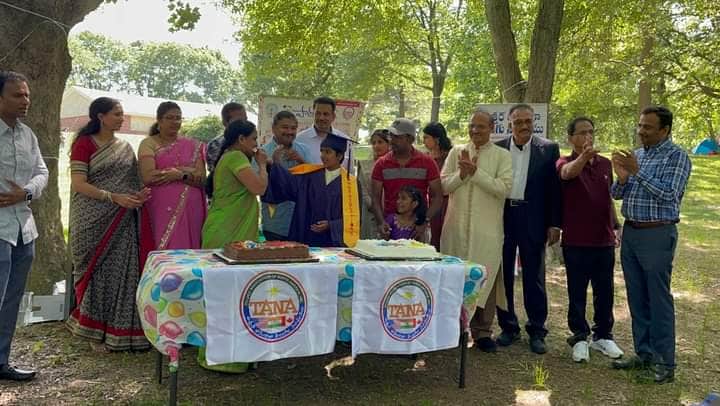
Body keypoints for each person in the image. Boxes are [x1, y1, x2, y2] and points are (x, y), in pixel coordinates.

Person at [610, 106, 691, 384]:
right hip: (631, 233)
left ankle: (664, 362)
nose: (641, 131)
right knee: (636, 297)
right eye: (640, 125)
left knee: (658, 299)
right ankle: (643, 354)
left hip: (657, 234)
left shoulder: (677, 156)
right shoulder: (639, 155)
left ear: (665, 130)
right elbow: (618, 194)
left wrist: (637, 172)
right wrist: (622, 178)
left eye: (648, 127)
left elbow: (669, 195)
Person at [66, 97, 151, 352]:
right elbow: (79, 184)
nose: (121, 118)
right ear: (101, 116)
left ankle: (119, 332)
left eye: (122, 114)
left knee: (122, 273)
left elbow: (132, 182)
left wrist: (137, 196)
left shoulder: (125, 147)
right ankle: (92, 334)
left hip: (121, 218)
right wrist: (113, 197)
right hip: (90, 218)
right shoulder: (84, 143)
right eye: (116, 114)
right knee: (94, 272)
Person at [440, 108, 513, 353]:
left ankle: (482, 332)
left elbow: (504, 189)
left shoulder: (502, 156)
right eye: (472, 126)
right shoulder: (456, 152)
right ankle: (453, 330)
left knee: (484, 276)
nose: (475, 130)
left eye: (480, 126)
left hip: (487, 230)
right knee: (455, 277)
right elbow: (443, 186)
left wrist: (476, 173)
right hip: (456, 227)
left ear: (491, 128)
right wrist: (462, 174)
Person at [200, 120, 268, 373]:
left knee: (228, 295)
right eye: (253, 139)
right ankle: (227, 359)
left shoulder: (229, 157)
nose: (256, 144)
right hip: (227, 232)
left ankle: (229, 355)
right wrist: (262, 164)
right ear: (241, 140)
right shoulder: (237, 158)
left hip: (226, 228)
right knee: (229, 296)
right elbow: (259, 187)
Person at [495, 103, 561, 354]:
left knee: (534, 275)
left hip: (534, 217)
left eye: (528, 121)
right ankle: (508, 326)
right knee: (504, 274)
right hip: (504, 216)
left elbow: (554, 189)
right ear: (509, 123)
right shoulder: (498, 148)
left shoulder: (549, 149)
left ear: (534, 122)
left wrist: (554, 223)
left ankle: (537, 330)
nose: (524, 125)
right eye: (518, 121)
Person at [556, 117, 623, 363]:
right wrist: (583, 157)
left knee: (605, 290)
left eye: (591, 132)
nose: (588, 137)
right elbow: (568, 174)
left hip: (603, 239)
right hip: (576, 240)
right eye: (582, 132)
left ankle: (603, 335)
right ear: (570, 138)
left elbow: (607, 198)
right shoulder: (564, 162)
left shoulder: (605, 164)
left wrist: (616, 225)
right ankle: (579, 336)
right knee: (577, 291)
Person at [0, 71, 48, 381]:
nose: (25, 100)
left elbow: (42, 172)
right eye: (17, 95)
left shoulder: (27, 134)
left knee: (11, 300)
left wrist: (26, 192)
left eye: (27, 94)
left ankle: (1, 362)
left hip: (23, 229)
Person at [262, 133, 360, 247]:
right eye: (321, 151)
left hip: (333, 241)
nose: (323, 156)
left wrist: (331, 225)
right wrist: (275, 165)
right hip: (308, 237)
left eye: (328, 152)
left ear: (339, 156)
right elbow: (287, 183)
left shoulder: (351, 184)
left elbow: (354, 217)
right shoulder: (310, 176)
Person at [138, 102, 207, 250]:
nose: (175, 122)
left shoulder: (194, 145)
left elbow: (201, 179)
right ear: (159, 120)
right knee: (164, 247)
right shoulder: (148, 143)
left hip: (191, 207)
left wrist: (179, 175)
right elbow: (148, 176)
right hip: (161, 207)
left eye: (178, 118)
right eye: (170, 118)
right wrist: (186, 170)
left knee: (191, 248)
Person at [371, 118, 443, 242]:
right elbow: (375, 198)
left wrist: (424, 221)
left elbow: (438, 197)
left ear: (410, 139)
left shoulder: (427, 162)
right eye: (391, 136)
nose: (392, 140)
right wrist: (381, 222)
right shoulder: (381, 164)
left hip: (417, 230)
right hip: (390, 229)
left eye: (397, 137)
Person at [260, 111, 311, 241]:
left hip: (300, 220)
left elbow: (313, 182)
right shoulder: (263, 152)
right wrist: (274, 166)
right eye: (285, 127)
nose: (289, 132)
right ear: (273, 128)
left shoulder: (304, 150)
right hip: (275, 223)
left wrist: (301, 161)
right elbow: (259, 187)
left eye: (293, 128)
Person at [422, 122, 452, 251]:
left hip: (448, 201)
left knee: (446, 234)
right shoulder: (425, 157)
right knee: (434, 236)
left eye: (426, 137)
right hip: (432, 201)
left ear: (437, 139)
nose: (423, 141)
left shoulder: (450, 156)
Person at [296, 96, 350, 165]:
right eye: (318, 113)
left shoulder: (345, 141)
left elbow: (350, 170)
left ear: (333, 116)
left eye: (326, 114)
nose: (321, 118)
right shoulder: (299, 140)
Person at [357, 129, 390, 239]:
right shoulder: (364, 163)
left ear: (389, 144)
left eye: (380, 142)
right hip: (369, 210)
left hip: (389, 210)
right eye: (374, 143)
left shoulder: (394, 163)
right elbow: (362, 188)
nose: (376, 146)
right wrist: (372, 206)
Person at [206, 102, 247, 173]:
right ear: (225, 123)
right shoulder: (215, 144)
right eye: (239, 121)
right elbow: (216, 171)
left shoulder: (250, 140)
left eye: (246, 119)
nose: (245, 123)